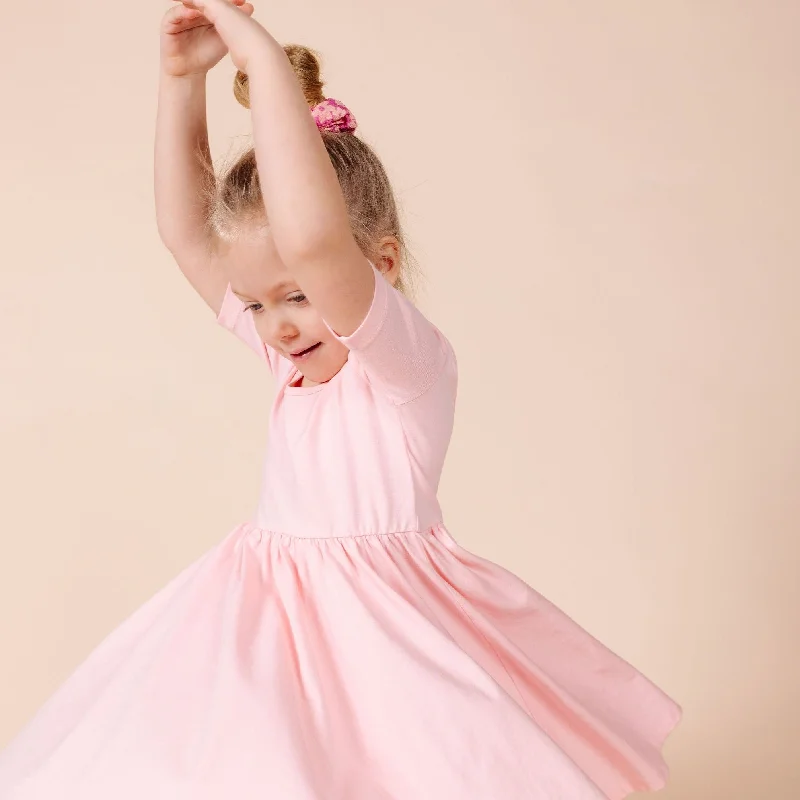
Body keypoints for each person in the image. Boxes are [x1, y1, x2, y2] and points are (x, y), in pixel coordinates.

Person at [0, 1, 682, 797]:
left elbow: (318, 240)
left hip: (383, 633)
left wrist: (257, 57)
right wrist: (182, 80)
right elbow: (188, 232)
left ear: (383, 263)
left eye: (295, 297)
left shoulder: (403, 365)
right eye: (258, 305)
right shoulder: (288, 362)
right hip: (268, 618)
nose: (277, 328)